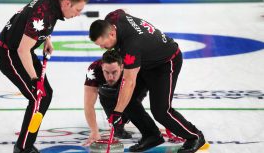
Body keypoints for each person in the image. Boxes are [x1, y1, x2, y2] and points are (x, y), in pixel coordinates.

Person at [89, 9, 207, 153]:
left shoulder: (131, 45)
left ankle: (195, 136)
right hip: (146, 59)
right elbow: (123, 11)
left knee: (161, 111)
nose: (102, 48)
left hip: (166, 63)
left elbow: (129, 82)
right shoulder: (113, 18)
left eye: (103, 44)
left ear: (112, 33)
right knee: (127, 99)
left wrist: (117, 113)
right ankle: (151, 135)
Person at [0, 0, 89, 153]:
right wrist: (34, 79)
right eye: (78, 9)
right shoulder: (44, 16)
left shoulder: (50, 0)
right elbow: (22, 49)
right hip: (10, 54)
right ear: (67, 3)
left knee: (46, 94)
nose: (79, 14)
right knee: (38, 97)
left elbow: (36, 23)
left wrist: (47, 39)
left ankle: (26, 144)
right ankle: (23, 148)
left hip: (22, 51)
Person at [83, 50, 164, 151]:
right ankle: (121, 125)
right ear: (102, 67)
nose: (110, 77)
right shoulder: (94, 69)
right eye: (106, 72)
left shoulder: (131, 68)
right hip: (107, 94)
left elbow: (155, 87)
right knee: (116, 123)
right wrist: (94, 131)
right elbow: (88, 104)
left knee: (130, 106)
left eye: (114, 72)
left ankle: (149, 131)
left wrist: (163, 115)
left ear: (121, 67)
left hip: (132, 86)